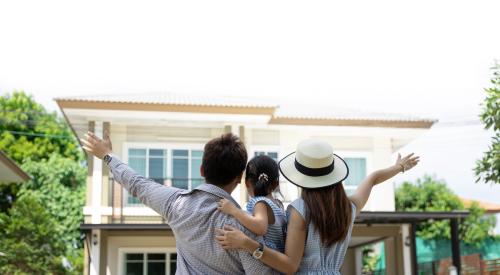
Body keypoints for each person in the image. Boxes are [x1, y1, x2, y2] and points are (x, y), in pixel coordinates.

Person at [81, 131, 278, 275]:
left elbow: (137, 184)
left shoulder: (176, 204)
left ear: (201, 170)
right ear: (238, 178)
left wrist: (107, 156)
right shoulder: (245, 228)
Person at [216, 138, 419, 274]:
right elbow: (372, 179)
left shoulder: (299, 210)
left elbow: (290, 266)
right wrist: (399, 167)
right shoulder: (348, 208)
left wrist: (246, 243)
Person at [218, 155, 286, 252]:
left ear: (246, 183)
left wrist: (234, 210)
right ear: (276, 184)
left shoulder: (259, 203)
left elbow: (260, 227)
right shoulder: (278, 205)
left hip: (265, 259)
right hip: (276, 258)